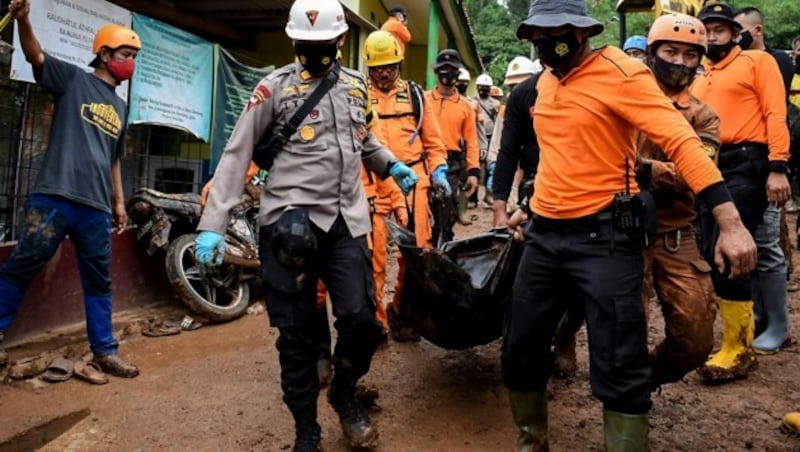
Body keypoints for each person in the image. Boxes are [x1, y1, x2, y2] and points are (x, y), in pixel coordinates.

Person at [504, 1, 756, 450]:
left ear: (582, 32)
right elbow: (553, 152)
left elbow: (681, 142)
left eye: (556, 32)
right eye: (538, 33)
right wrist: (524, 200)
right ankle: (531, 441)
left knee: (620, 361)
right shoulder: (543, 82)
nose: (545, 42)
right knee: (520, 347)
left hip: (605, 235)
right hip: (544, 236)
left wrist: (730, 220)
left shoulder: (622, 74)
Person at [194, 0, 418, 449]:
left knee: (362, 321)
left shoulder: (355, 86)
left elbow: (363, 138)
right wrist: (212, 222)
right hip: (289, 225)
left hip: (347, 221)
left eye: (324, 43)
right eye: (307, 43)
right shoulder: (273, 88)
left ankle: (343, 391)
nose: (315, 50)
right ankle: (306, 430)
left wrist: (391, 164)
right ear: (296, 40)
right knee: (295, 337)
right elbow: (238, 152)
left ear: (339, 40)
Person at [0, 0, 140, 378]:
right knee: (20, 267)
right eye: (126, 54)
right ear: (105, 54)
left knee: (99, 280)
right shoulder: (75, 80)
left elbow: (114, 158)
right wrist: (25, 20)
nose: (130, 62)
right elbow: (37, 56)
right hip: (54, 197)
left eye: (133, 56)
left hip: (95, 208)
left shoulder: (121, 106)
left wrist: (120, 202)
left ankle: (105, 351)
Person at [691, 2, 791, 379]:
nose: (713, 36)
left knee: (732, 247)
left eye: (720, 29)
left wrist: (778, 167)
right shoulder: (701, 76)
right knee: (708, 247)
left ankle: (738, 347)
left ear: (736, 33)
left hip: (749, 160)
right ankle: (737, 337)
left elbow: (775, 113)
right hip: (709, 164)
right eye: (708, 30)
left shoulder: (756, 62)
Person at [637, 13, 722, 388]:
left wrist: (645, 170)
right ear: (652, 51)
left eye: (691, 55)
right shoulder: (625, 99)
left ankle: (647, 377)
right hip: (622, 229)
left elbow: (696, 172)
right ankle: (628, 403)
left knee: (696, 338)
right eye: (671, 51)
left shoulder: (704, 116)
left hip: (675, 232)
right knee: (624, 328)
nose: (680, 63)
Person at [361, 30, 450, 342]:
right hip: (373, 188)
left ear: (399, 64)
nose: (384, 73)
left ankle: (402, 312)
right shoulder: (357, 96)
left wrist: (439, 172)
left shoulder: (415, 96)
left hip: (415, 188)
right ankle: (377, 324)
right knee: (373, 263)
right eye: (378, 68)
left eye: (390, 66)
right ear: (368, 67)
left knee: (415, 258)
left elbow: (435, 144)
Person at [732, 6, 794, 354]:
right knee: (750, 244)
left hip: (766, 160)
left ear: (756, 31)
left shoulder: (773, 62)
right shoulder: (734, 65)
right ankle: (758, 318)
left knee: (767, 244)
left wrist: (778, 166)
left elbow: (776, 116)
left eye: (739, 30)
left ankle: (779, 326)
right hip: (740, 167)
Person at [426, 49, 480, 242]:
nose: (447, 74)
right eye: (443, 69)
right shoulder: (423, 100)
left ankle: (446, 248)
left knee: (446, 210)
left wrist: (473, 172)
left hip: (451, 163)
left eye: (452, 70)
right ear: (436, 72)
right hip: (425, 160)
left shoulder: (466, 106)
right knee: (424, 212)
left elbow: (472, 141)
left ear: (458, 73)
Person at [487, 56, 542, 227]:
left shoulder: (551, 99)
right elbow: (506, 149)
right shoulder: (512, 107)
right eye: (512, 86)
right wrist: (499, 202)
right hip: (527, 177)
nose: (516, 89)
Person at [473, 73, 501, 207]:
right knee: (476, 166)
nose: (483, 89)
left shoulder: (495, 104)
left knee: (491, 166)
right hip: (477, 137)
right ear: (477, 87)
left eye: (486, 87)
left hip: (491, 138)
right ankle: (473, 197)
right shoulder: (472, 101)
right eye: (481, 87)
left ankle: (488, 194)